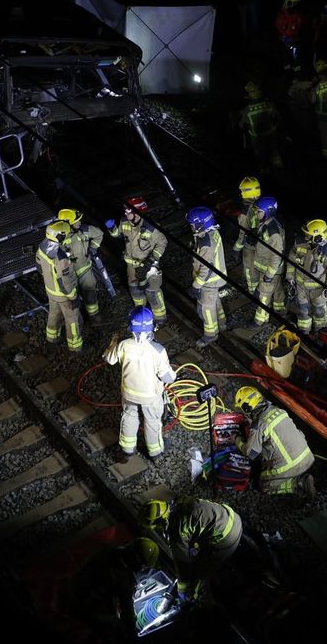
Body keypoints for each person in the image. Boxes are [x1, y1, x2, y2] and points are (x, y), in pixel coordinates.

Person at [144, 496, 257, 601]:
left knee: (201, 573)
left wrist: (182, 590)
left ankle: (198, 599)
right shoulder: (181, 502)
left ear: (161, 521)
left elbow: (183, 565)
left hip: (228, 537)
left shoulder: (175, 531)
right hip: (231, 516)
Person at [103, 307, 178, 461]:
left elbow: (109, 360)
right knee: (152, 422)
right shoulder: (158, 350)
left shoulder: (124, 345)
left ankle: (127, 449)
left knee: (129, 416)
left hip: (129, 393)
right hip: (150, 398)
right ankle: (155, 452)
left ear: (131, 327)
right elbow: (168, 377)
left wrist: (113, 343)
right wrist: (174, 375)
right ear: (152, 327)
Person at [232, 385, 314, 495]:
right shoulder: (279, 411)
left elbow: (251, 453)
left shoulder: (258, 425)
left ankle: (299, 483)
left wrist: (237, 439)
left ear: (247, 408)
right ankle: (296, 474)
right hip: (307, 457)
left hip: (291, 465)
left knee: (264, 486)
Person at [109, 195, 167, 322]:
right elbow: (116, 234)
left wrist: (151, 260)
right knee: (135, 291)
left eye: (128, 211)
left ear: (137, 213)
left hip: (148, 267)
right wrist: (111, 228)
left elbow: (162, 243)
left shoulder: (151, 227)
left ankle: (160, 317)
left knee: (152, 293)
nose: (125, 212)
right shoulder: (124, 221)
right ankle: (140, 314)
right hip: (131, 266)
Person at [36, 219, 83, 351]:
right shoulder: (61, 257)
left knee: (53, 314)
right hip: (64, 296)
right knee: (72, 320)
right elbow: (65, 281)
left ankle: (52, 340)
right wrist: (73, 297)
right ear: (59, 235)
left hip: (50, 291)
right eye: (65, 234)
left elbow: (38, 266)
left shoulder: (43, 245)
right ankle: (75, 348)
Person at [289, 218, 327, 332]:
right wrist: (290, 277)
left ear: (317, 237)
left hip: (319, 290)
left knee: (319, 312)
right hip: (301, 287)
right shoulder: (299, 243)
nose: (305, 236)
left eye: (308, 235)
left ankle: (319, 332)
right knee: (302, 311)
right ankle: (304, 332)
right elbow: (291, 260)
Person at [187, 206, 228, 346]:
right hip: (215, 279)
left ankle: (211, 334)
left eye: (192, 225)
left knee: (207, 308)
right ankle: (222, 323)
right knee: (214, 301)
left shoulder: (206, 243)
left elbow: (205, 270)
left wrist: (195, 286)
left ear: (200, 225)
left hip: (209, 281)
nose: (190, 227)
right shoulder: (212, 232)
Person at [57, 207, 107, 317]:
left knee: (90, 294)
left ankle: (94, 316)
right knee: (71, 300)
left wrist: (93, 249)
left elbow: (99, 234)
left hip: (85, 270)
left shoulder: (84, 230)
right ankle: (76, 318)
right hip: (69, 275)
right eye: (76, 221)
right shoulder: (58, 237)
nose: (80, 222)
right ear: (68, 224)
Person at [247, 196, 288, 325]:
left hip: (270, 270)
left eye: (259, 211)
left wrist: (269, 275)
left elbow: (276, 256)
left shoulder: (274, 232)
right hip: (269, 268)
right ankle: (280, 310)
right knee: (277, 289)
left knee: (264, 295)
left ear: (268, 212)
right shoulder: (267, 224)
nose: (257, 213)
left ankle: (259, 321)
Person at [238, 81, 284, 172]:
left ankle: (264, 173)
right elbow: (278, 119)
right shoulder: (269, 105)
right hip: (271, 137)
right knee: (274, 153)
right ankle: (279, 170)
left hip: (257, 141)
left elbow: (242, 125)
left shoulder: (247, 111)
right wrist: (275, 127)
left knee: (261, 158)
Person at [232, 176, 265, 294]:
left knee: (250, 270)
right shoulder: (264, 206)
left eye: (242, 191)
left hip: (250, 248)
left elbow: (242, 235)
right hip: (264, 247)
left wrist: (236, 249)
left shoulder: (245, 213)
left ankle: (253, 293)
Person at [275, 0, 306, 70]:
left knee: (296, 51)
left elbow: (299, 24)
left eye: (296, 3)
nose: (295, 5)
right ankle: (287, 67)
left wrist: (296, 34)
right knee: (286, 52)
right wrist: (284, 36)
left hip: (294, 38)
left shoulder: (296, 12)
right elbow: (279, 26)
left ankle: (297, 67)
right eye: (294, 3)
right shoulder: (282, 13)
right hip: (285, 38)